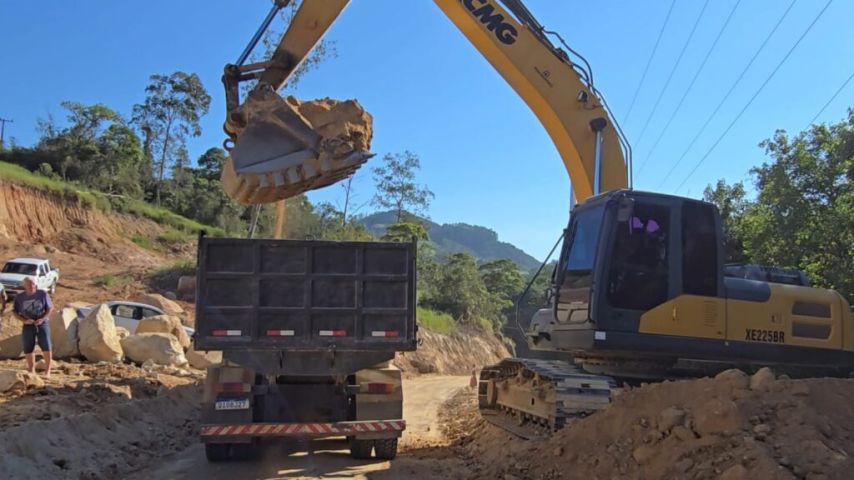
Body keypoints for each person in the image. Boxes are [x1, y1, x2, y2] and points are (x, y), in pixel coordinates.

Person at [12, 277, 53, 377]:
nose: (31, 286)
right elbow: (15, 312)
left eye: (33, 284)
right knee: (28, 347)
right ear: (24, 285)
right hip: (28, 325)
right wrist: (24, 321)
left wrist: (42, 319)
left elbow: (50, 308)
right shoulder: (19, 297)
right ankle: (31, 370)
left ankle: (47, 371)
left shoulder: (42, 294)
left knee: (46, 346)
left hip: (42, 323)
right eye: (29, 284)